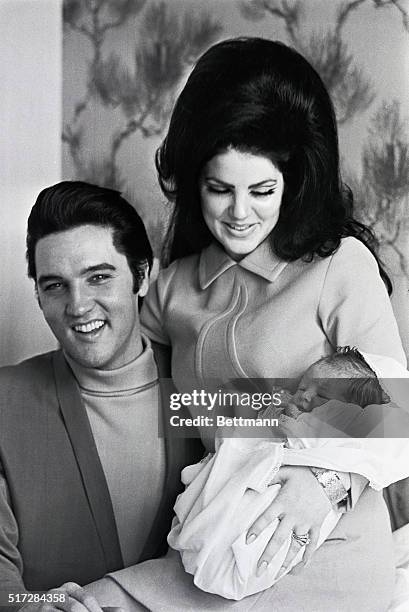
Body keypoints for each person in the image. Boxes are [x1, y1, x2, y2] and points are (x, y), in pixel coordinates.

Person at [83, 37, 407, 611]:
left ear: (294, 180)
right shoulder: (171, 288)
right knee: (81, 601)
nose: (239, 213)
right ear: (192, 181)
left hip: (327, 547)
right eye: (219, 190)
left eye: (261, 191)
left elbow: (396, 411)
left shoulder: (338, 266)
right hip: (223, 539)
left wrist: (327, 483)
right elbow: (136, 394)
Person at [0, 181, 202, 610]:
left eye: (98, 278)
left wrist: (323, 480)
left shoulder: (197, 382)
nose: (78, 305)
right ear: (38, 294)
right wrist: (28, 604)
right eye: (55, 285)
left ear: (142, 275)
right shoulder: (5, 403)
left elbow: (370, 418)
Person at [167, 347, 409, 601]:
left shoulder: (350, 444)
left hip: (291, 530)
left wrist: (332, 479)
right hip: (214, 522)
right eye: (302, 389)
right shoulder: (285, 418)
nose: (304, 397)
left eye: (323, 397)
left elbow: (395, 432)